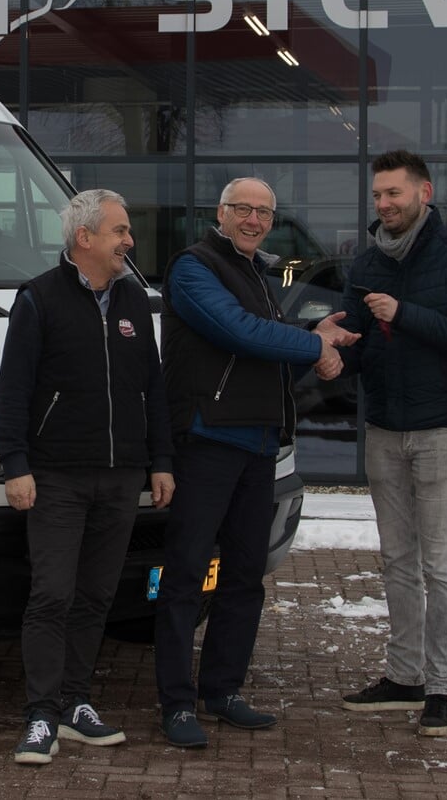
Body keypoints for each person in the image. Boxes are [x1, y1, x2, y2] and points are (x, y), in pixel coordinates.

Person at [153, 177, 358, 749]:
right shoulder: (192, 268)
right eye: (243, 209)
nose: (253, 219)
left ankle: (222, 691)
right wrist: (311, 347)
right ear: (221, 213)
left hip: (259, 444)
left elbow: (266, 342)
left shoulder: (257, 274)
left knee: (245, 577)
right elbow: (238, 332)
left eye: (263, 212)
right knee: (187, 576)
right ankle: (175, 703)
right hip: (207, 439)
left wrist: (312, 338)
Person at [0, 188, 176, 766]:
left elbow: (152, 386)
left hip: (121, 479)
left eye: (127, 232)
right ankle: (41, 714)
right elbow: (13, 391)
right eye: (120, 231)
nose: (129, 241)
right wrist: (15, 465)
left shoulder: (132, 300)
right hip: (58, 478)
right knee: (52, 594)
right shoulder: (38, 299)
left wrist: (161, 460)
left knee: (96, 595)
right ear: (84, 238)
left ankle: (76, 704)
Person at [337, 150, 447, 737]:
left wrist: (402, 313)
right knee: (397, 559)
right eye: (378, 196)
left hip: (444, 430)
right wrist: (329, 354)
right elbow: (356, 337)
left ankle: (442, 687)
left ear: (424, 193)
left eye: (393, 194)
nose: (383, 205)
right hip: (384, 426)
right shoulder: (368, 259)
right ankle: (403, 676)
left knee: (441, 565)